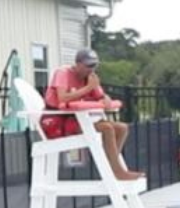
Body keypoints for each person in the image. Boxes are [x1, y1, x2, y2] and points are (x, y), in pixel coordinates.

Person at [44, 49, 141, 181]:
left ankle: (109, 165)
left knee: (122, 127)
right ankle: (117, 171)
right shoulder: (63, 73)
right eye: (88, 65)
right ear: (78, 64)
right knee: (107, 128)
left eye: (95, 65)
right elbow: (62, 98)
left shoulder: (90, 78)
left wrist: (105, 98)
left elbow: (101, 96)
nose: (91, 69)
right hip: (61, 123)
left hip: (83, 119)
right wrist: (88, 88)